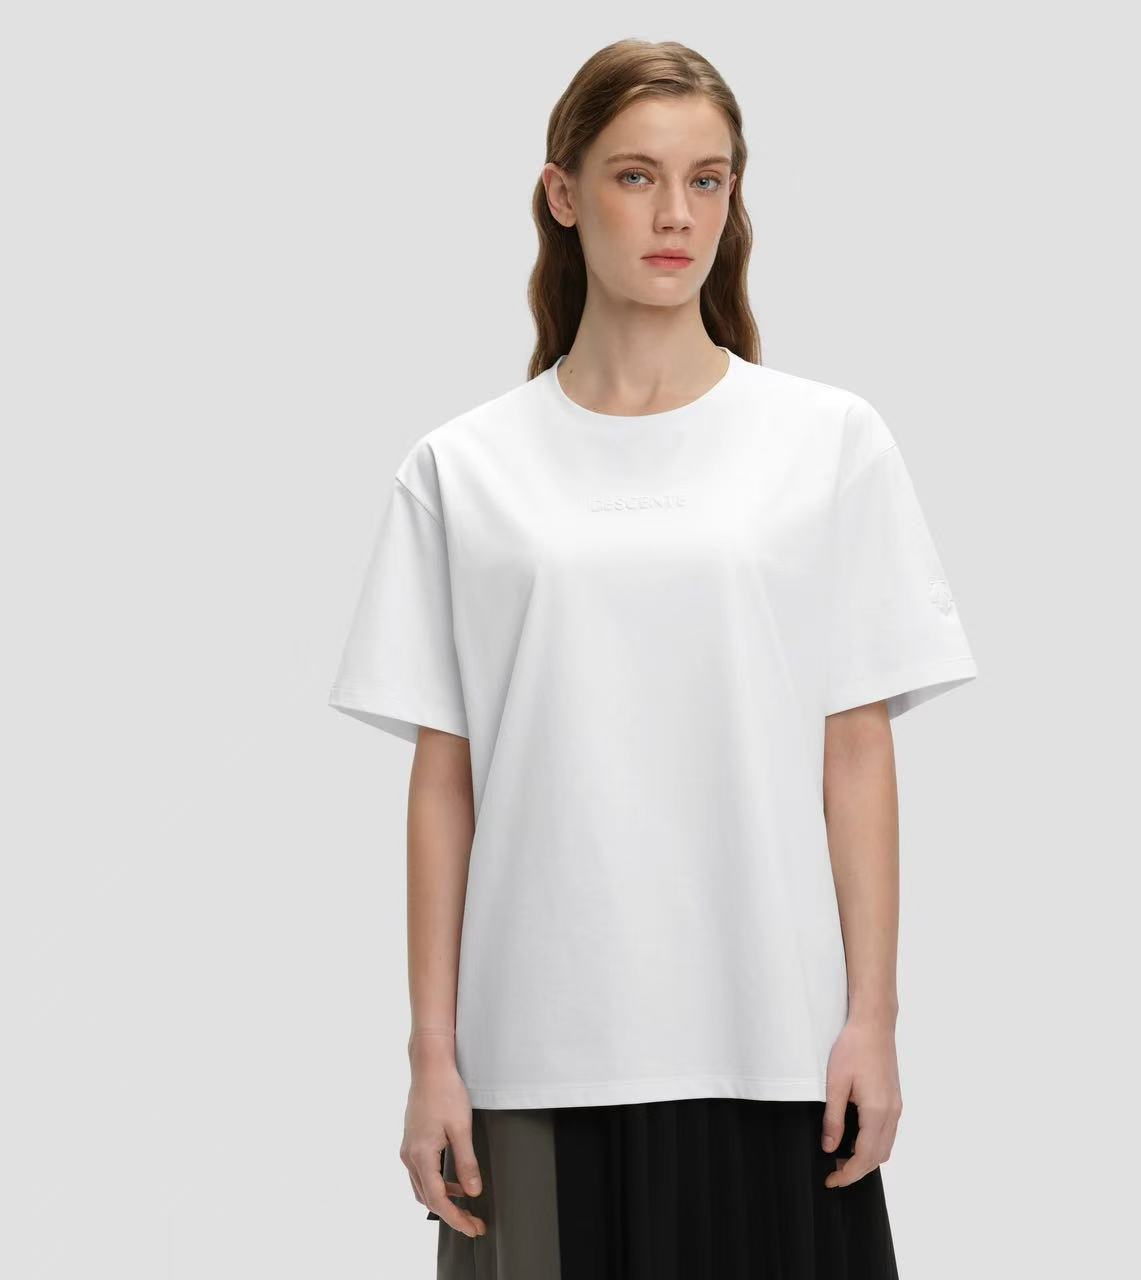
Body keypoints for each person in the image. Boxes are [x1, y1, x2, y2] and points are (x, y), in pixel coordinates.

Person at [327, 37, 978, 1280]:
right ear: (563, 194)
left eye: (706, 179)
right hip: (532, 1052)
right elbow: (443, 780)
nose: (675, 214)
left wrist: (872, 1017)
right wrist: (431, 1053)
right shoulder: (462, 471)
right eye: (635, 176)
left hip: (774, 1043)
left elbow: (854, 752)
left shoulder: (828, 443)